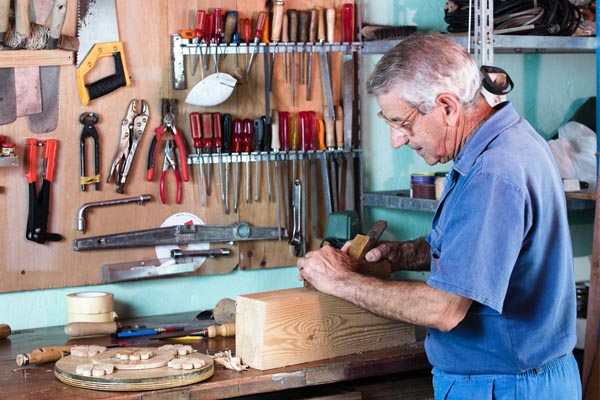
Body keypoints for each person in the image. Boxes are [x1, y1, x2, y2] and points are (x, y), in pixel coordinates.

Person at [297, 32, 581, 399]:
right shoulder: (505, 141)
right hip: (520, 378)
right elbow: (478, 250)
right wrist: (401, 255)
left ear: (446, 106)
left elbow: (445, 309)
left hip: (506, 386)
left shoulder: (493, 173)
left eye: (402, 122)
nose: (397, 140)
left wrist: (339, 281)